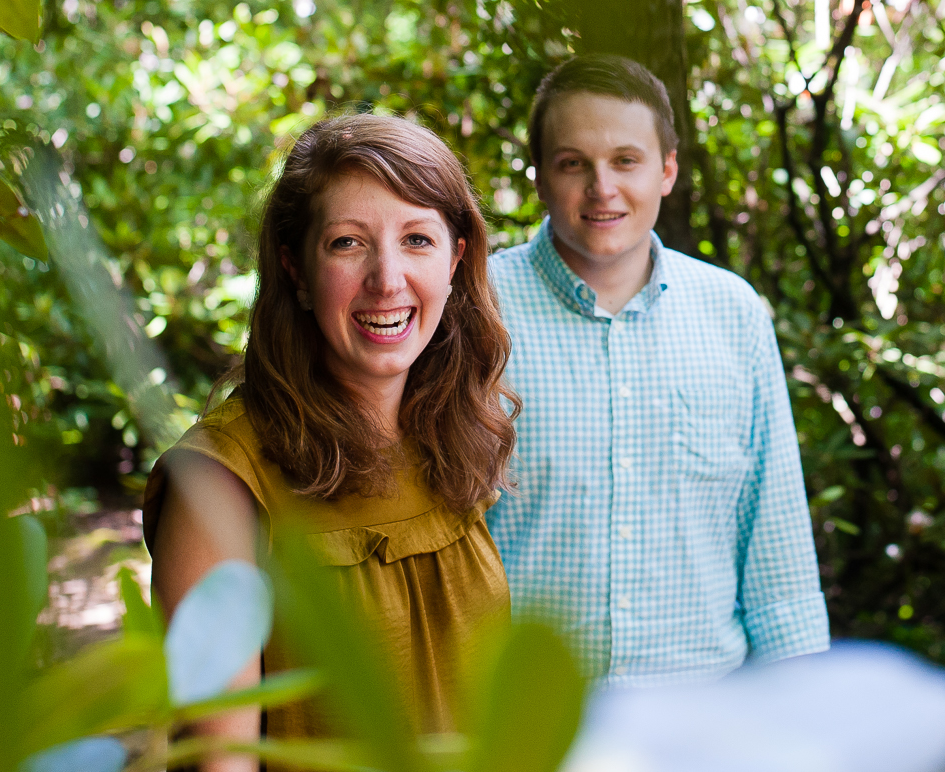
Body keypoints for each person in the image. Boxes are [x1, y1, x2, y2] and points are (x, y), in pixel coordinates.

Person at [144, 114, 516, 759]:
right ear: (295, 269)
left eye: (418, 240)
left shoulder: (450, 437)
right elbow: (216, 759)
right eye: (348, 243)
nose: (387, 279)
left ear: (457, 260)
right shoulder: (220, 482)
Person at [487, 53, 829, 685]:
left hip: (701, 727)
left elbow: (774, 545)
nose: (602, 188)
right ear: (539, 178)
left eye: (626, 160)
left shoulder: (735, 313)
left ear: (667, 169)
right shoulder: (472, 311)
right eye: (572, 164)